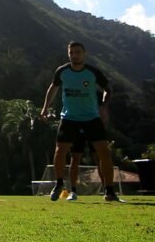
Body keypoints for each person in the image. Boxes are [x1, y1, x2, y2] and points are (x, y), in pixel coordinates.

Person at [40, 41, 123, 202]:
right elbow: (53, 88)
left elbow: (108, 89)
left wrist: (104, 106)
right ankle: (59, 184)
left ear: (84, 54)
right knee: (60, 151)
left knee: (104, 153)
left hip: (91, 118)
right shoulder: (62, 71)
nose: (74, 55)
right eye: (71, 52)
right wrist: (45, 108)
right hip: (69, 118)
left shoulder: (93, 72)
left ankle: (110, 191)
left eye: (78, 52)